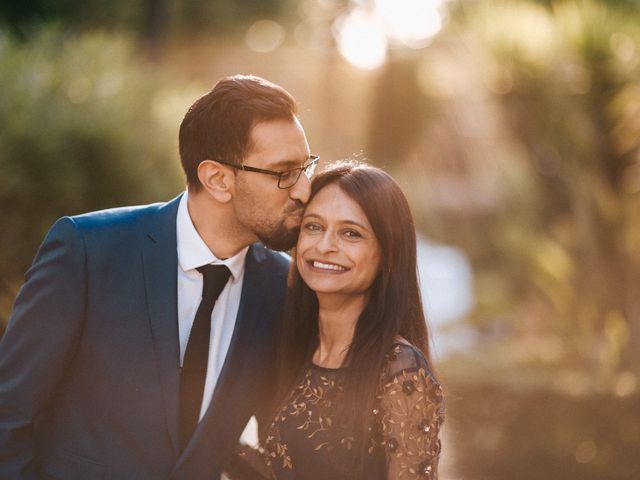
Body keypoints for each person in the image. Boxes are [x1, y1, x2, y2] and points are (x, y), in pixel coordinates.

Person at [0, 75, 319, 480]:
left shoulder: (283, 286)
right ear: (217, 179)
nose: (304, 190)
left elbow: (282, 443)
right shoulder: (87, 251)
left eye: (306, 166)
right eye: (284, 172)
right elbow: (9, 414)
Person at [227, 161, 444, 480]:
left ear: (388, 254)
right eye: (313, 226)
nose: (325, 246)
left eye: (350, 233)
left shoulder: (400, 370)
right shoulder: (293, 350)